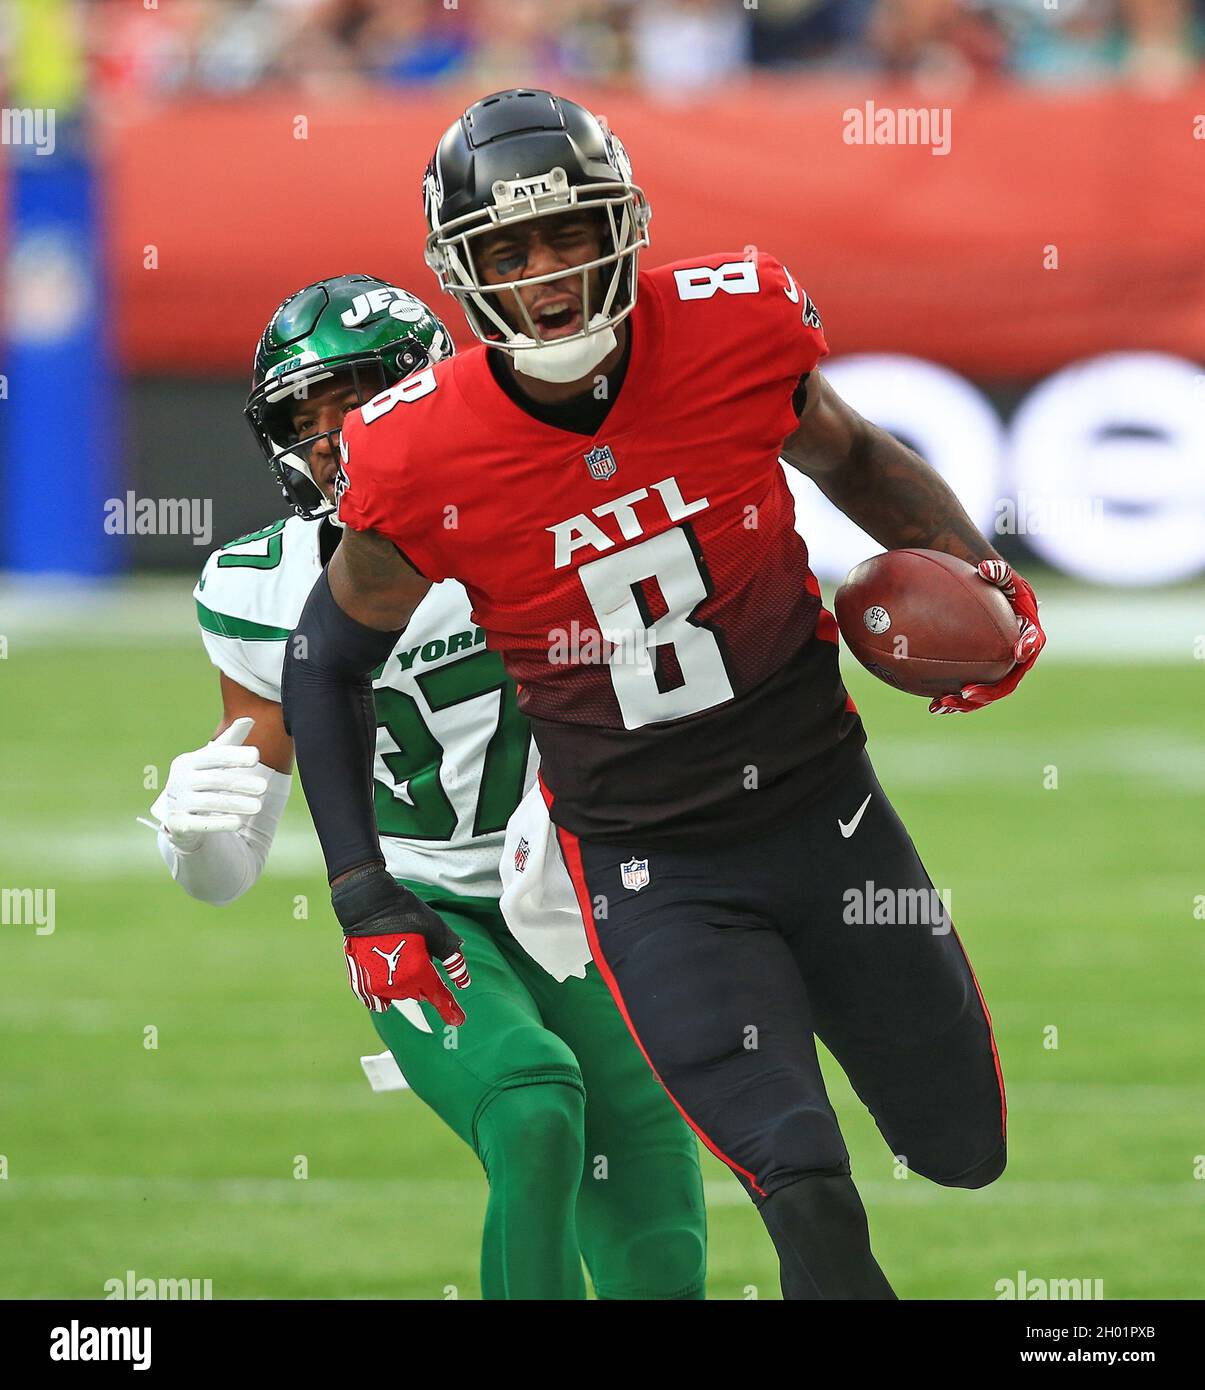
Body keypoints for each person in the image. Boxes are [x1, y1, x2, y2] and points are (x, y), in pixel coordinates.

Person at [281, 91, 1045, 1299]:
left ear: (622, 224)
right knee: (802, 1184)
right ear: (462, 270)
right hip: (650, 868)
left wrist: (981, 581)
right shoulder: (418, 449)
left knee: (962, 1149)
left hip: (826, 812)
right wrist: (361, 888)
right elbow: (326, 656)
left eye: (570, 235)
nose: (546, 276)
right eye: (508, 251)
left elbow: (849, 454)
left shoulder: (732, 327)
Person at [147, 273, 707, 1301]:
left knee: (657, 1241)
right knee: (533, 1108)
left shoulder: (550, 506)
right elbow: (228, 874)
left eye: (351, 399)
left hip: (586, 895)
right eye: (300, 416)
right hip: (415, 909)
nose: (325, 437)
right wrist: (191, 835)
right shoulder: (254, 584)